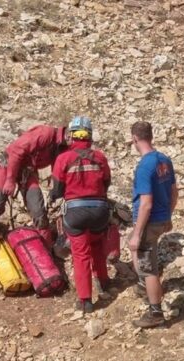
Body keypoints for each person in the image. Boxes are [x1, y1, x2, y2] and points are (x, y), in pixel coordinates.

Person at [50, 117, 111, 315]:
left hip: (75, 213)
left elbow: (57, 190)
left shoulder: (64, 159)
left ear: (72, 136)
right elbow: (107, 183)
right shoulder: (100, 157)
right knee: (97, 245)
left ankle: (85, 300)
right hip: (100, 211)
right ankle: (104, 281)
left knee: (81, 254)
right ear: (90, 136)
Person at [0, 123, 68, 243]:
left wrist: (59, 192)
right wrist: (10, 180)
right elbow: (15, 152)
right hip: (8, 165)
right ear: (68, 134)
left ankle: (46, 249)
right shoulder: (46, 134)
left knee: (38, 209)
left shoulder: (61, 147)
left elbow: (57, 171)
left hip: (27, 170)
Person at [128, 121, 176, 329]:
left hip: (149, 222)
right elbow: (174, 192)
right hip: (162, 218)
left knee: (148, 267)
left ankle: (155, 311)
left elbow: (146, 203)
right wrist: (168, 216)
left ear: (135, 139)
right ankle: (144, 287)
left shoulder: (144, 166)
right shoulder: (164, 160)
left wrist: (137, 234)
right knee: (144, 257)